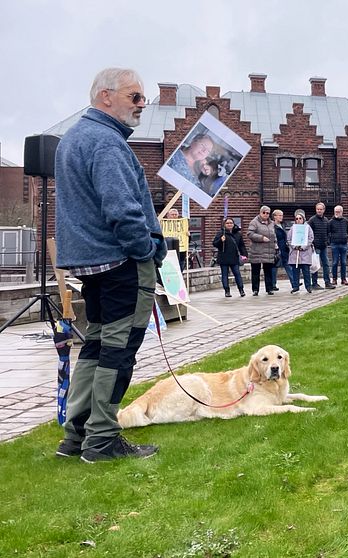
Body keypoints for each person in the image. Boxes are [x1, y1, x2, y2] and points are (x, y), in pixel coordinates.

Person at [54, 67, 166, 462]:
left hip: (92, 262)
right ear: (106, 96)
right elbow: (122, 210)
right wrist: (147, 249)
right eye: (135, 97)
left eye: (142, 98)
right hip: (121, 262)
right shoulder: (106, 142)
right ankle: (101, 439)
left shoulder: (75, 137)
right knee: (119, 349)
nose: (141, 105)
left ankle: (77, 434)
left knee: (97, 344)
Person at [247, 205, 278, 296]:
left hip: (268, 251)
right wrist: (261, 238)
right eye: (264, 212)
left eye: (267, 213)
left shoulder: (272, 223)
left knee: (268, 271)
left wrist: (275, 244)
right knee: (255, 271)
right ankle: (255, 289)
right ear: (260, 213)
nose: (265, 214)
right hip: (257, 251)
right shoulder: (254, 222)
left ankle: (269, 288)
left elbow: (274, 235)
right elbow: (250, 234)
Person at [212, 217, 247, 297]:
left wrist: (244, 254)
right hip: (224, 257)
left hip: (234, 257)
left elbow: (241, 245)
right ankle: (227, 291)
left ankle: (241, 289)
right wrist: (221, 240)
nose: (229, 224)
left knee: (237, 273)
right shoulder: (221, 233)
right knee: (225, 274)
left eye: (231, 223)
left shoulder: (237, 234)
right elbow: (215, 244)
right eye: (227, 223)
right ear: (224, 224)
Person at [288, 210, 314, 293]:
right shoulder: (292, 229)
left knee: (306, 271)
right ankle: (295, 286)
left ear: (303, 219)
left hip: (305, 253)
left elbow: (310, 238)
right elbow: (289, 239)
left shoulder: (307, 228)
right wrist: (294, 246)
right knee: (295, 271)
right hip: (295, 254)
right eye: (297, 218)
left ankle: (308, 286)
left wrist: (303, 247)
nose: (298, 220)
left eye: (300, 218)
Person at [308, 202, 333, 289]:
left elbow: (328, 232)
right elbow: (309, 233)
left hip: (324, 246)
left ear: (324, 210)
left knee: (326, 264)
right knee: (315, 265)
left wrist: (327, 241)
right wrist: (312, 243)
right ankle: (314, 283)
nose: (319, 211)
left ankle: (327, 282)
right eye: (318, 209)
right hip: (315, 247)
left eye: (321, 209)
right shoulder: (312, 220)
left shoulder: (326, 220)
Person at [328, 205, 348, 286]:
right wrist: (331, 240)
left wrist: (346, 238)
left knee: (344, 262)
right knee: (335, 262)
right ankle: (334, 279)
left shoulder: (345, 221)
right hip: (334, 244)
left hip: (344, 244)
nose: (337, 213)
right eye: (336, 212)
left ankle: (343, 279)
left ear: (342, 212)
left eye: (338, 211)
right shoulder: (330, 222)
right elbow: (328, 233)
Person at [271, 209, 291, 291]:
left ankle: (294, 282)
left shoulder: (282, 225)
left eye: (282, 215)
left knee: (288, 265)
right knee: (274, 266)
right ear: (274, 216)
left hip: (284, 248)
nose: (281, 217)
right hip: (276, 248)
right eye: (279, 215)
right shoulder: (272, 226)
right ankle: (273, 284)